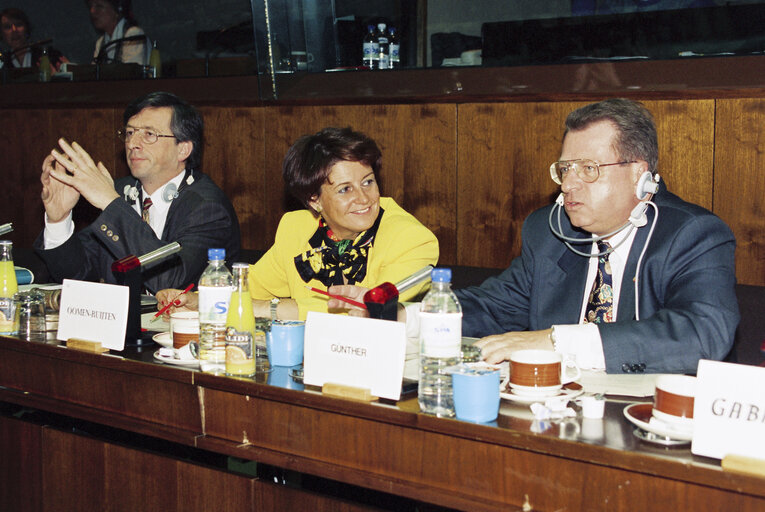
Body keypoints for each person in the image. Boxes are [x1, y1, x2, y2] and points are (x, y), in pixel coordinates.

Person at [329, 99, 739, 375]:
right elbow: (492, 307)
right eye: (565, 169)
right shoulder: (550, 231)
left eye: (588, 169)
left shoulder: (692, 235)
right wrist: (401, 317)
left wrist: (555, 341)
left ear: (640, 173)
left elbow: (702, 334)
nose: (570, 186)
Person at [158, 126, 438, 321]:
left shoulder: (412, 239)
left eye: (368, 182)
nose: (364, 198)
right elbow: (253, 285)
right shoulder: (296, 228)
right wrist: (201, 298)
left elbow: (362, 312)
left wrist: (261, 308)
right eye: (345, 189)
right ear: (314, 200)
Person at [34, 91, 241, 294]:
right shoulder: (119, 193)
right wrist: (58, 219)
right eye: (130, 133)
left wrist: (110, 203)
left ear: (183, 150)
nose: (132, 144)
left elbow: (171, 280)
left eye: (149, 134)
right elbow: (77, 275)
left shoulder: (207, 207)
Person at [0, 8, 67, 72]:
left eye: (18, 25)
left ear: (26, 28)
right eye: (8, 27)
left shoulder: (49, 55)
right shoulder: (3, 61)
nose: (14, 30)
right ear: (1, 33)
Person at [87, 0, 149, 65]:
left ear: (117, 10)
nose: (92, 11)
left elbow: (132, 72)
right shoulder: (100, 43)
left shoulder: (133, 35)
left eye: (99, 6)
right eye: (90, 6)